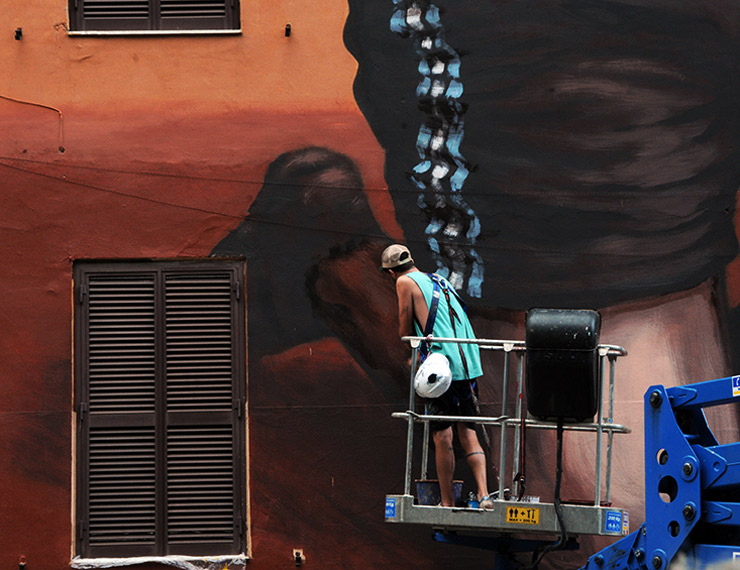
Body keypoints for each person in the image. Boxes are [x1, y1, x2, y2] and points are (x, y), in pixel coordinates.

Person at [381, 243, 494, 508]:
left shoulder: (404, 282)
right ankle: (484, 494)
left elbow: (405, 331)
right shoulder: (439, 280)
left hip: (441, 369)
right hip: (467, 365)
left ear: (391, 272)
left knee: (442, 436)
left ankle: (447, 501)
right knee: (468, 433)